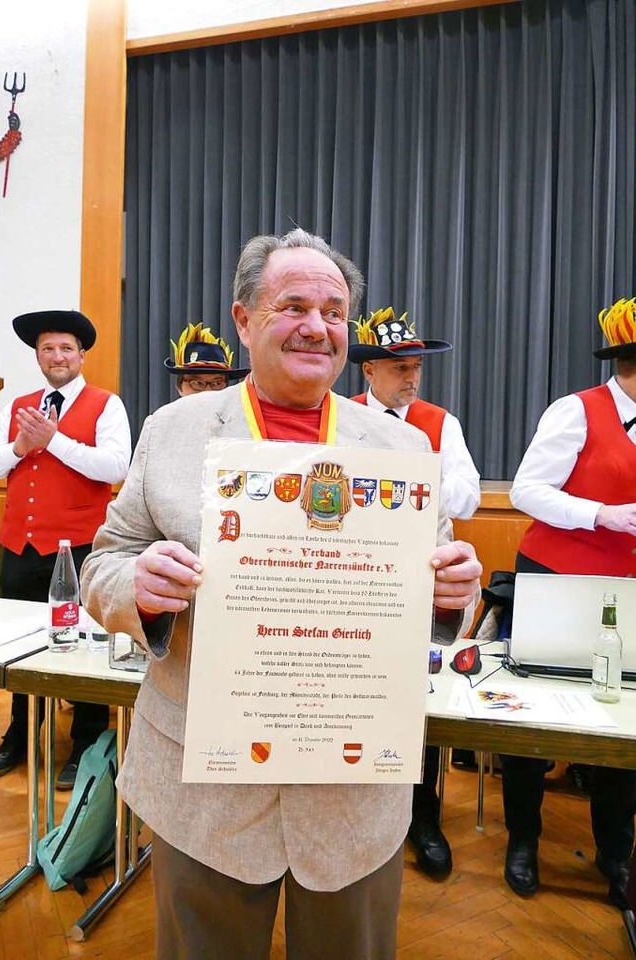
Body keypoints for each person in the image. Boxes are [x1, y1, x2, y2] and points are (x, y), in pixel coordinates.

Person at [81, 228, 481, 960]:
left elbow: (437, 593)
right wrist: (134, 586)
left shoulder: (402, 451)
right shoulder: (172, 431)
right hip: (205, 791)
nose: (316, 325)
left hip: (354, 790)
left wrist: (454, 592)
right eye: (292, 304)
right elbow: (103, 562)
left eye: (333, 311)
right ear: (243, 319)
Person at [501, 296, 636, 909]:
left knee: (622, 719)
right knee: (532, 712)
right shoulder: (576, 411)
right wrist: (603, 515)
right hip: (556, 578)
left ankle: (615, 850)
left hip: (625, 593)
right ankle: (522, 840)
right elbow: (528, 490)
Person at [349, 306, 480, 881]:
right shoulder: (339, 417)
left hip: (420, 575)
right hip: (355, 576)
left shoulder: (439, 422)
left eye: (416, 367)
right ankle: (357, 809)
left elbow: (469, 496)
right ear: (369, 373)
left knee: (415, 696)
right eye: (399, 367)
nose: (411, 378)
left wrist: (401, 484)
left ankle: (423, 816)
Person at [0, 310, 131, 788]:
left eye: (66, 349)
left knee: (84, 648)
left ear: (82, 355)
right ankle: (20, 730)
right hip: (20, 544)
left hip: (79, 546)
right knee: (21, 646)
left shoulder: (105, 404)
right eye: (48, 349)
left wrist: (53, 441)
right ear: (38, 356)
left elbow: (115, 467)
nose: (58, 356)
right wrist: (19, 446)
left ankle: (89, 740)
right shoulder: (20, 403)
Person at [165, 321, 249, 396]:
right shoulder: (165, 414)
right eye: (198, 383)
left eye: (217, 383)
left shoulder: (240, 413)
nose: (208, 392)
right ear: (179, 387)